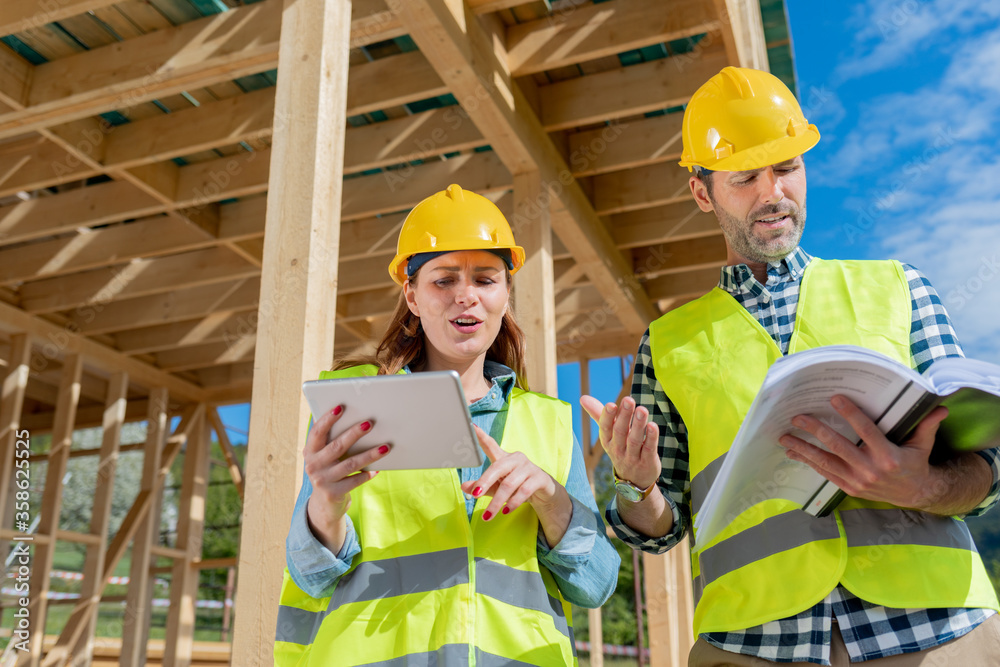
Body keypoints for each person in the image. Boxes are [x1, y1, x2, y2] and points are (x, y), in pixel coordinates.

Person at [582, 67, 1000, 665]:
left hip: (935, 628)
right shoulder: (667, 344)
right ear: (703, 193)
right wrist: (633, 483)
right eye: (745, 177)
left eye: (787, 168)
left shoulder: (898, 288)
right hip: (750, 642)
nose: (772, 192)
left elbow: (985, 465)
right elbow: (659, 528)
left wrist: (925, 485)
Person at [275, 184, 620, 666]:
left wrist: (550, 499)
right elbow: (309, 575)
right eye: (443, 281)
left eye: (485, 279)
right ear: (412, 296)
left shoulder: (547, 424)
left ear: (505, 294)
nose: (466, 297)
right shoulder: (359, 405)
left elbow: (597, 585)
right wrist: (326, 504)